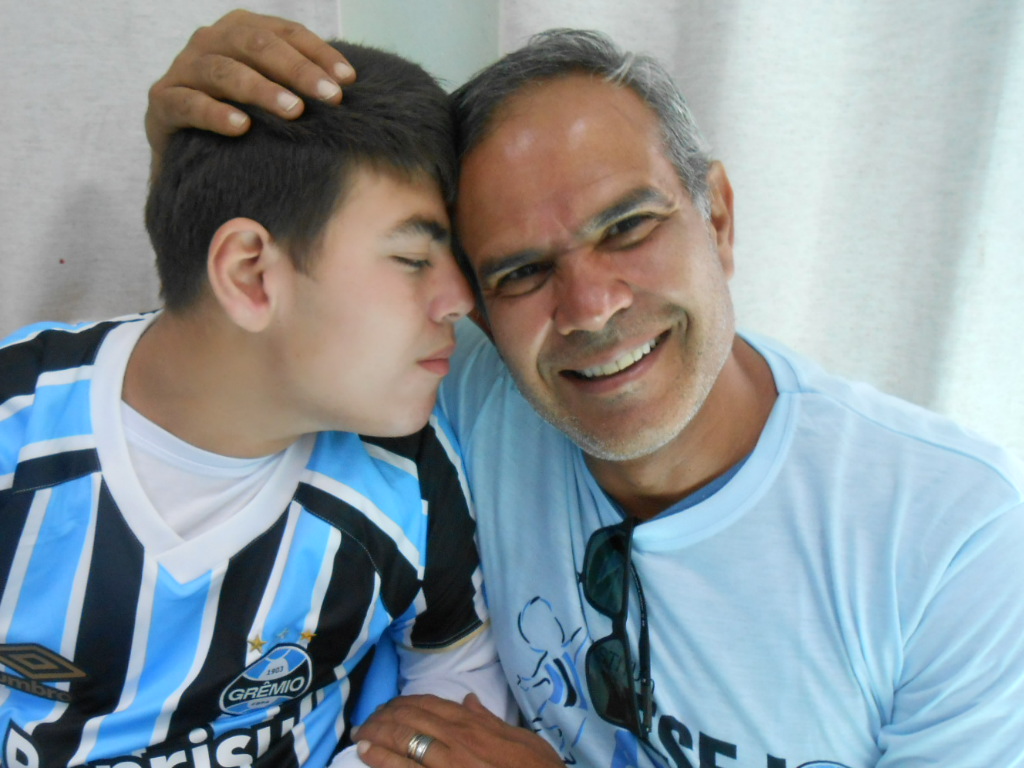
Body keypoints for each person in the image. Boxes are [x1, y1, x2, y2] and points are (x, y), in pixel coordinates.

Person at [78, 13, 1024, 768]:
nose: (590, 306)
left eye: (629, 227)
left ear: (720, 218)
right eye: (521, 272)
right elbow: (257, 351)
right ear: (473, 310)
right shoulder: (451, 403)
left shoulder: (951, 540)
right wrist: (200, 159)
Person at [0, 40, 515, 767]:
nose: (460, 301)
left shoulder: (413, 482)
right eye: (412, 259)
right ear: (251, 274)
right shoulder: (17, 428)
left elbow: (456, 684)